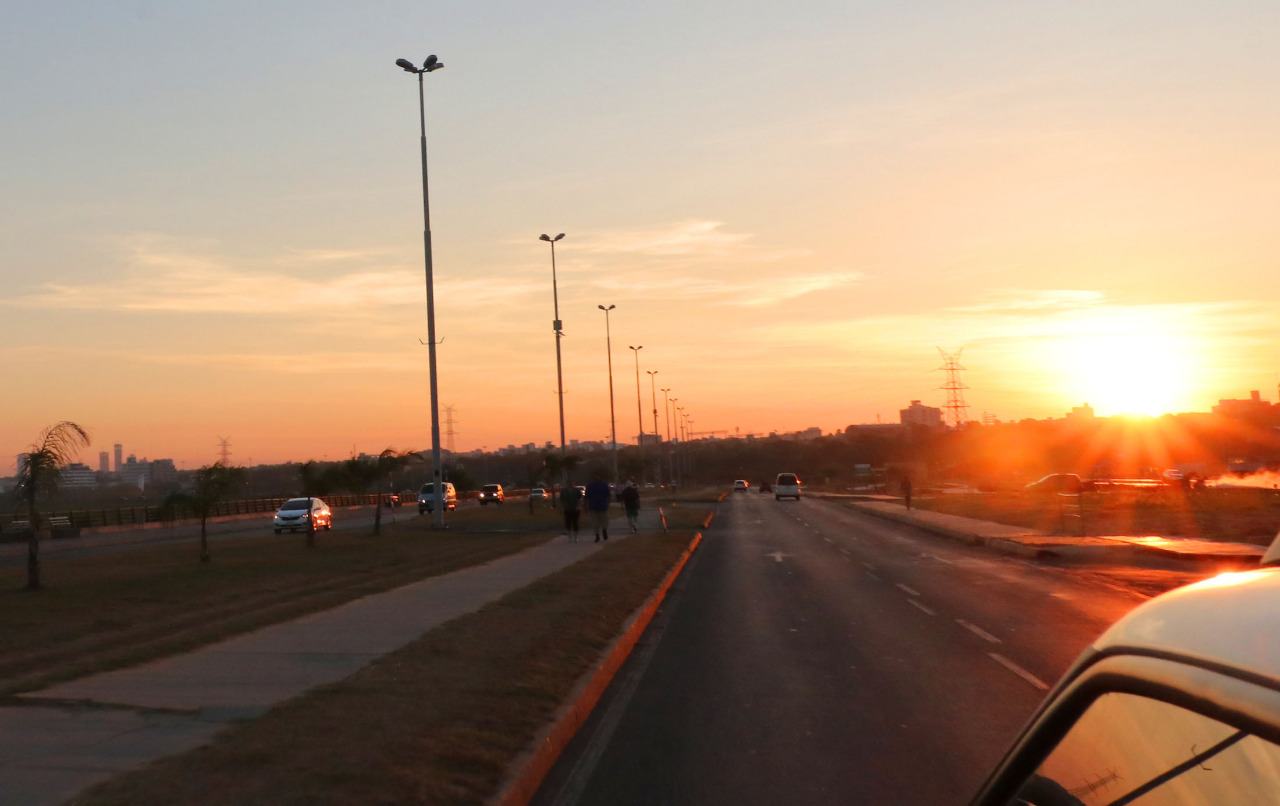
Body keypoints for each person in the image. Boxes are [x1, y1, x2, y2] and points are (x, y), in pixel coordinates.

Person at [584, 471, 613, 543]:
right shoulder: (591, 486)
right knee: (595, 522)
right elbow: (586, 497)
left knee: (603, 521)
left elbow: (608, 495)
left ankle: (604, 530)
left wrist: (607, 503)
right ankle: (597, 535)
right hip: (594, 506)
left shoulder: (602, 485)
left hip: (601, 506)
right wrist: (585, 506)